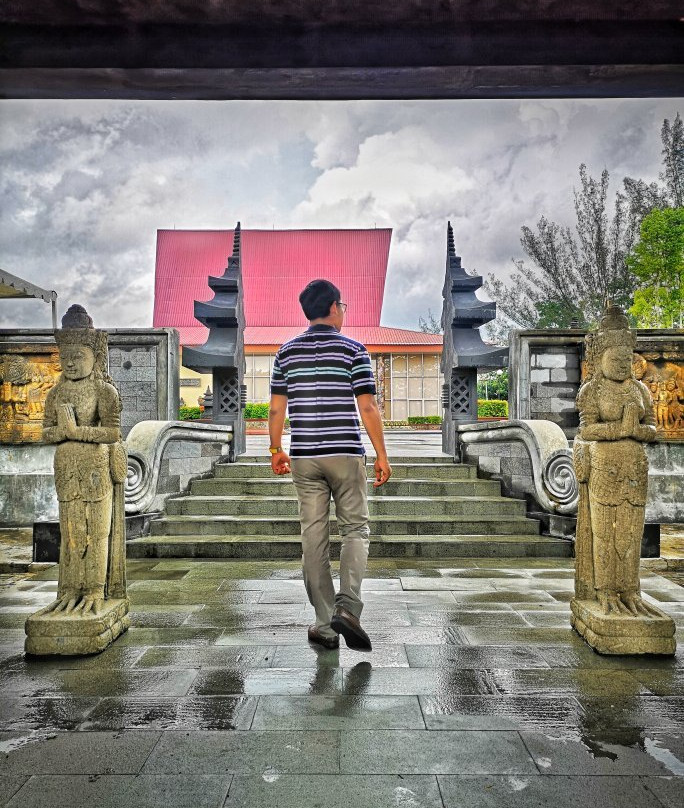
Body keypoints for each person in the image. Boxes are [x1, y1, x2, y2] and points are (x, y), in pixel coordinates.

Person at [268, 279, 391, 651]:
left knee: (313, 537)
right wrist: (382, 453)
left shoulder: (286, 353)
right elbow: (367, 406)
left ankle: (324, 623)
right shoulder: (354, 350)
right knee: (355, 528)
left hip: (305, 456)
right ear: (335, 307)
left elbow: (276, 408)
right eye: (344, 306)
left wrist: (276, 448)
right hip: (346, 454)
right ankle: (348, 608)